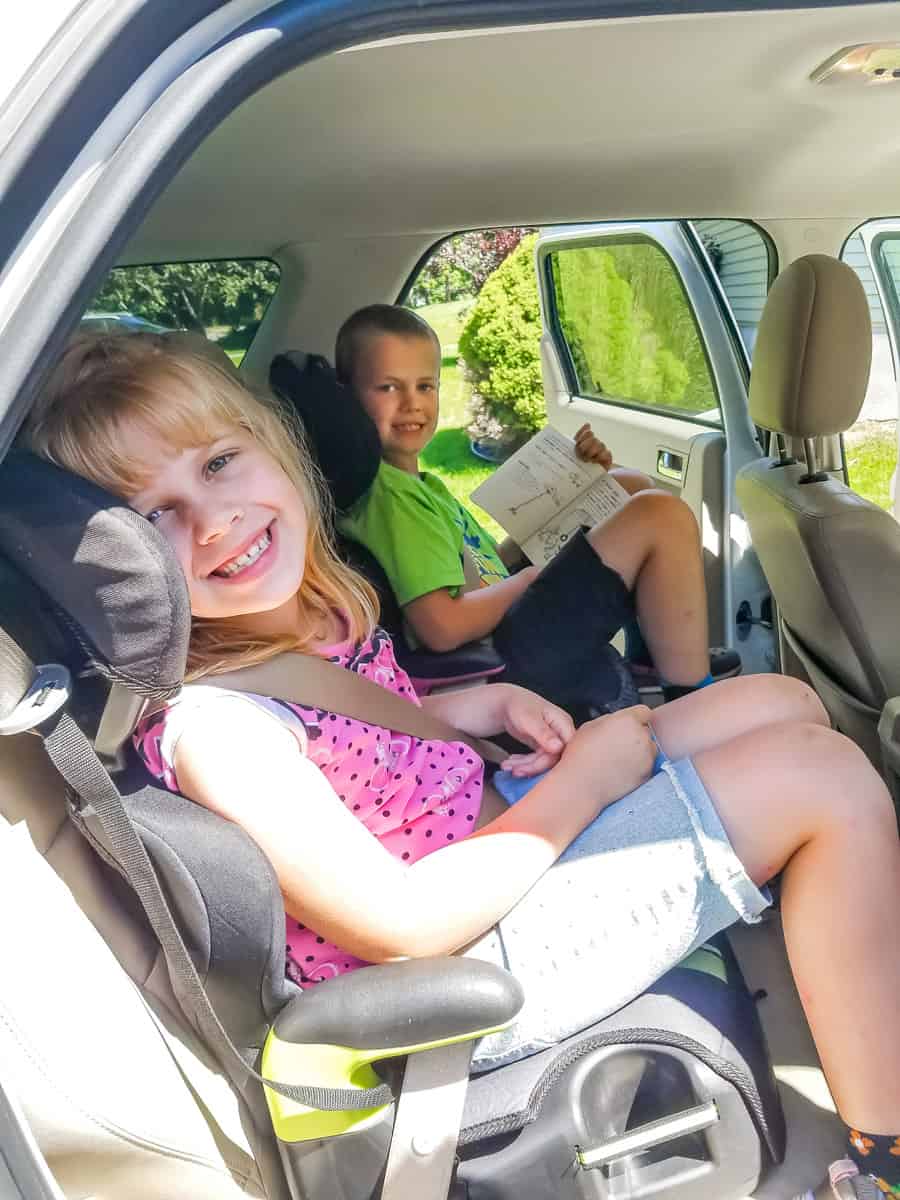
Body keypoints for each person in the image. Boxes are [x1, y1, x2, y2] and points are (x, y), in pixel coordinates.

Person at [25, 331, 900, 1200]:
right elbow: (401, 923)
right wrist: (584, 781)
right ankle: (883, 1159)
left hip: (490, 824)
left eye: (218, 463)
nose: (211, 521)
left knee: (782, 705)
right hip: (459, 973)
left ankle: (819, 923)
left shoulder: (308, 617)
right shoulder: (217, 731)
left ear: (275, 446)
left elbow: (357, 740)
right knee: (824, 779)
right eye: (153, 517)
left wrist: (470, 710)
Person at [334, 304, 736, 714]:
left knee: (629, 487)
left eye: (426, 386)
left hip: (504, 622)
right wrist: (529, 577)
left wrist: (585, 482)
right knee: (660, 516)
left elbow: (479, 566)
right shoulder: (395, 501)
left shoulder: (416, 486)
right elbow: (441, 627)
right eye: (388, 388)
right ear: (346, 397)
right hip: (504, 660)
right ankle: (691, 701)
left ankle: (652, 660)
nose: (412, 404)